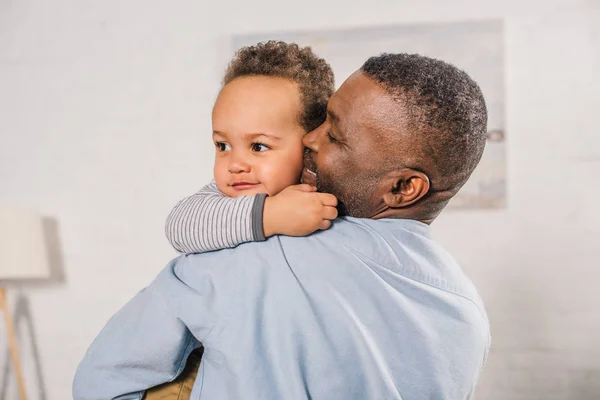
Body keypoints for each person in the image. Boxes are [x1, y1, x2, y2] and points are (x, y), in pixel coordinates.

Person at [73, 52, 491, 400]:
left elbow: (101, 382)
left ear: (403, 187)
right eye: (321, 121)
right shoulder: (468, 317)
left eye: (335, 136)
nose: (311, 139)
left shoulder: (240, 258)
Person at [147, 39, 337, 400]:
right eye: (222, 145)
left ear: (311, 145)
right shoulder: (224, 199)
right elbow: (180, 225)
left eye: (259, 146)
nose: (235, 163)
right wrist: (270, 215)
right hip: (205, 366)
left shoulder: (326, 193)